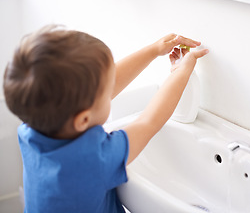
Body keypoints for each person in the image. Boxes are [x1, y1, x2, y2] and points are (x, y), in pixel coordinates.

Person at [3, 25, 208, 213]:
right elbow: (149, 122)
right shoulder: (93, 159)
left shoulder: (30, 130)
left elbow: (102, 84)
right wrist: (181, 72)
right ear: (83, 120)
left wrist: (153, 50)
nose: (111, 91)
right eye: (106, 93)